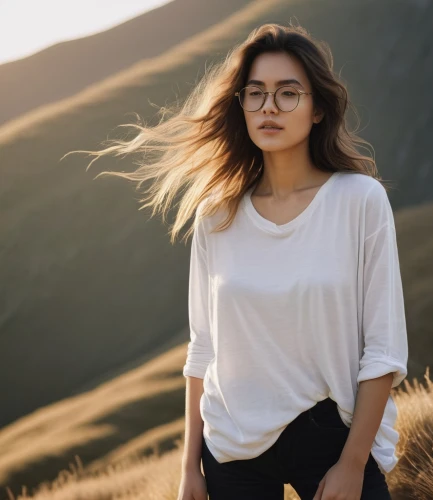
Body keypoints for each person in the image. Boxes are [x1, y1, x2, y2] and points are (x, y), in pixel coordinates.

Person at [68, 22, 408, 500]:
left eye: (288, 93)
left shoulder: (360, 201)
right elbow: (202, 350)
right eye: (256, 93)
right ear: (242, 106)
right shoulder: (217, 215)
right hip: (232, 449)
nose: (269, 106)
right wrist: (189, 468)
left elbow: (384, 350)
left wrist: (353, 464)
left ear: (317, 109)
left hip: (332, 437)